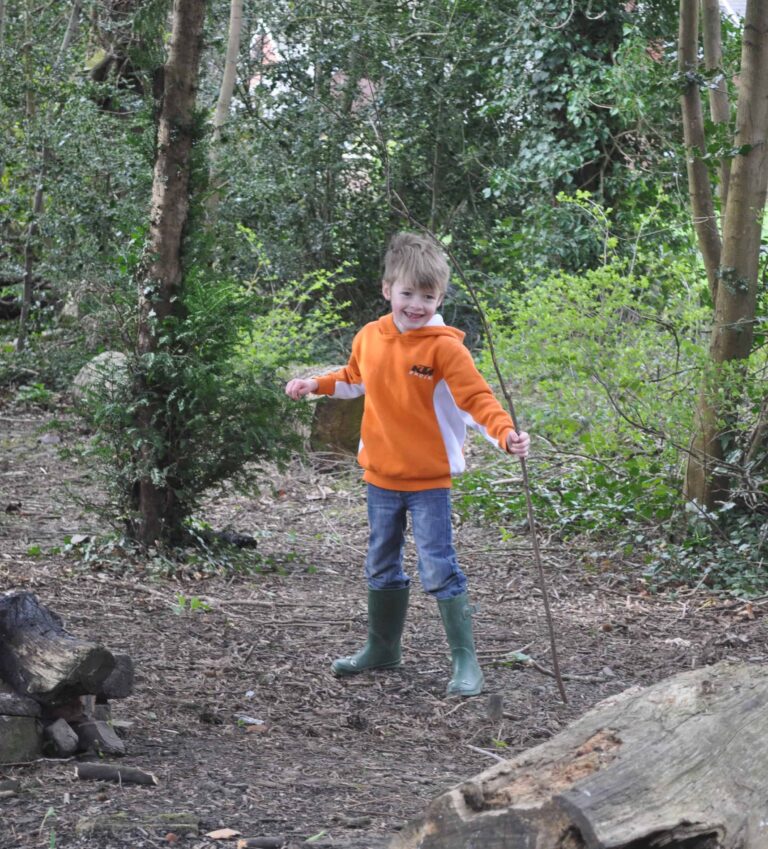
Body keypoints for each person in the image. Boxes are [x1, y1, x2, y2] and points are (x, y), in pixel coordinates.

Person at [285, 232, 530, 697]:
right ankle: (382, 648)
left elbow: (475, 399)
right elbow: (354, 378)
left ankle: (465, 661)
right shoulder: (370, 337)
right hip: (380, 475)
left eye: (428, 296)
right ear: (387, 290)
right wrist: (315, 385)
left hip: (428, 480)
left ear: (440, 298)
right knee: (381, 562)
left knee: (438, 566)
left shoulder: (445, 348)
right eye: (407, 294)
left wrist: (505, 434)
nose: (416, 305)